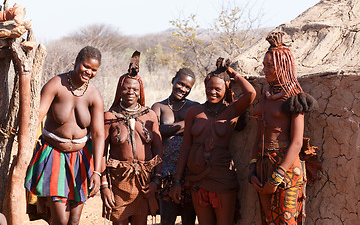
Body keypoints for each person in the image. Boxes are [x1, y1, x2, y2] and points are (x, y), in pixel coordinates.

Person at [170, 58, 256, 225]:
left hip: (222, 178)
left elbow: (251, 94)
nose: (213, 92)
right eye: (209, 88)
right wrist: (178, 181)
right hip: (197, 178)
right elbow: (186, 147)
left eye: (218, 89)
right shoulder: (194, 112)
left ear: (226, 89)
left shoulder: (231, 111)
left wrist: (232, 74)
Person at [24, 46, 105, 225]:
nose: (89, 72)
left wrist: (97, 172)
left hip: (81, 159)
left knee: (74, 221)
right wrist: (25, 150)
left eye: (94, 70)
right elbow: (36, 117)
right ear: (77, 62)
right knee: (60, 220)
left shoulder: (94, 95)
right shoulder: (56, 84)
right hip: (54, 155)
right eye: (86, 66)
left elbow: (99, 134)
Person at [248, 32, 317, 224]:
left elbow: (296, 143)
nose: (265, 70)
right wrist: (253, 168)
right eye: (264, 65)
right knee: (268, 221)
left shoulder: (295, 98)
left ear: (283, 66)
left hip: (286, 170)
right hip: (263, 165)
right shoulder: (265, 95)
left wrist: (276, 178)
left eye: (270, 66)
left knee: (286, 221)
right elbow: (258, 135)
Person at [100, 51, 163, 225]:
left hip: (144, 181)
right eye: (126, 88)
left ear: (140, 91)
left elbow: (158, 150)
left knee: (140, 222)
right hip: (118, 180)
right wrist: (104, 186)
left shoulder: (149, 115)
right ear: (119, 90)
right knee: (119, 222)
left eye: (135, 89)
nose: (130, 92)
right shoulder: (109, 116)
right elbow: (101, 154)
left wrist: (156, 180)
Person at [151, 68, 198, 225]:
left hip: (188, 169)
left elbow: (200, 127)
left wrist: (168, 129)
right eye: (180, 84)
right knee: (167, 218)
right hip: (166, 171)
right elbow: (154, 131)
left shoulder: (194, 107)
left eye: (187, 87)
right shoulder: (159, 106)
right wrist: (185, 124)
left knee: (189, 217)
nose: (183, 89)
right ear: (173, 80)